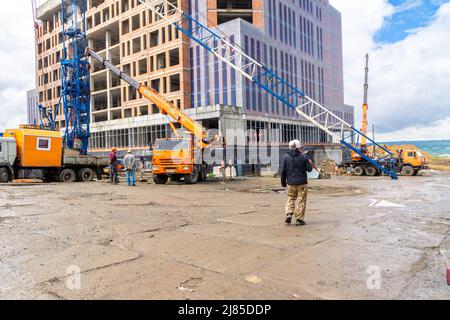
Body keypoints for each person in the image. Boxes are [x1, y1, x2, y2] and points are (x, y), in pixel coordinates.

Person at [281, 140, 313, 226]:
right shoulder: (304, 157)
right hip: (302, 183)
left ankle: (289, 213)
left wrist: (283, 183)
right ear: (298, 148)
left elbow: (283, 172)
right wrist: (310, 163)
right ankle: (299, 220)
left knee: (291, 198)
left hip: (290, 183)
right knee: (301, 200)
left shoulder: (286, 157)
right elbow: (309, 169)